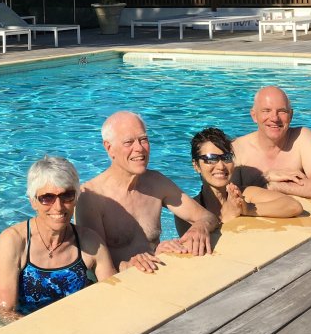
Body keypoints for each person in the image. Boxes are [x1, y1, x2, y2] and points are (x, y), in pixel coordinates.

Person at [76, 111, 219, 273]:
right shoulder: (91, 197)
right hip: (119, 284)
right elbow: (95, 264)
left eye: (143, 139)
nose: (139, 148)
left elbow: (208, 217)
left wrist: (198, 228)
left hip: (157, 273)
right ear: (109, 148)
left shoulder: (156, 183)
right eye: (128, 142)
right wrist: (130, 265)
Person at [0, 155, 116, 321]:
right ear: (33, 201)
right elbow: (5, 311)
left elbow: (114, 294)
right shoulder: (14, 241)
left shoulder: (90, 242)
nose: (58, 207)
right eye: (47, 198)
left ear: (76, 197)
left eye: (67, 196)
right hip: (19, 327)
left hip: (73, 325)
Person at [174, 127, 303, 235]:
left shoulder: (246, 195)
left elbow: (293, 206)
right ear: (196, 165)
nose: (221, 166)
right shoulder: (188, 210)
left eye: (226, 157)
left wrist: (247, 209)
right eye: (211, 158)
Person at [232, 86, 311, 202]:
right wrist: (266, 177)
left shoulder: (302, 138)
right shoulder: (237, 149)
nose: (275, 118)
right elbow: (225, 198)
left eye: (282, 111)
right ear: (254, 115)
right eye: (266, 110)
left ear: (291, 115)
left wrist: (274, 186)